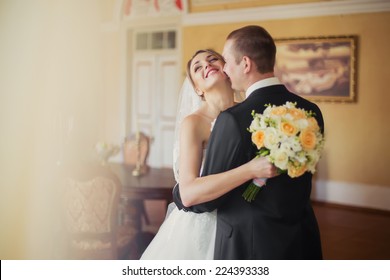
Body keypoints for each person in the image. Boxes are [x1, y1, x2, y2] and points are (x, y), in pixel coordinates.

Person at [173, 25, 325, 259]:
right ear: (196, 89)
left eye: (219, 60)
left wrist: (182, 196)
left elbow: (200, 200)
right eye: (198, 67)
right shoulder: (310, 110)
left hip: (250, 241)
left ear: (243, 64)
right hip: (300, 236)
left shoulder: (235, 118)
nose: (213, 66)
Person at [140, 49, 277, 259]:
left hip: (246, 221)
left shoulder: (250, 113)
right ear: (197, 88)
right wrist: (251, 170)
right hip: (204, 226)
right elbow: (187, 193)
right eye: (197, 67)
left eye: (213, 59)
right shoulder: (194, 124)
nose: (206, 65)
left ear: (227, 70)